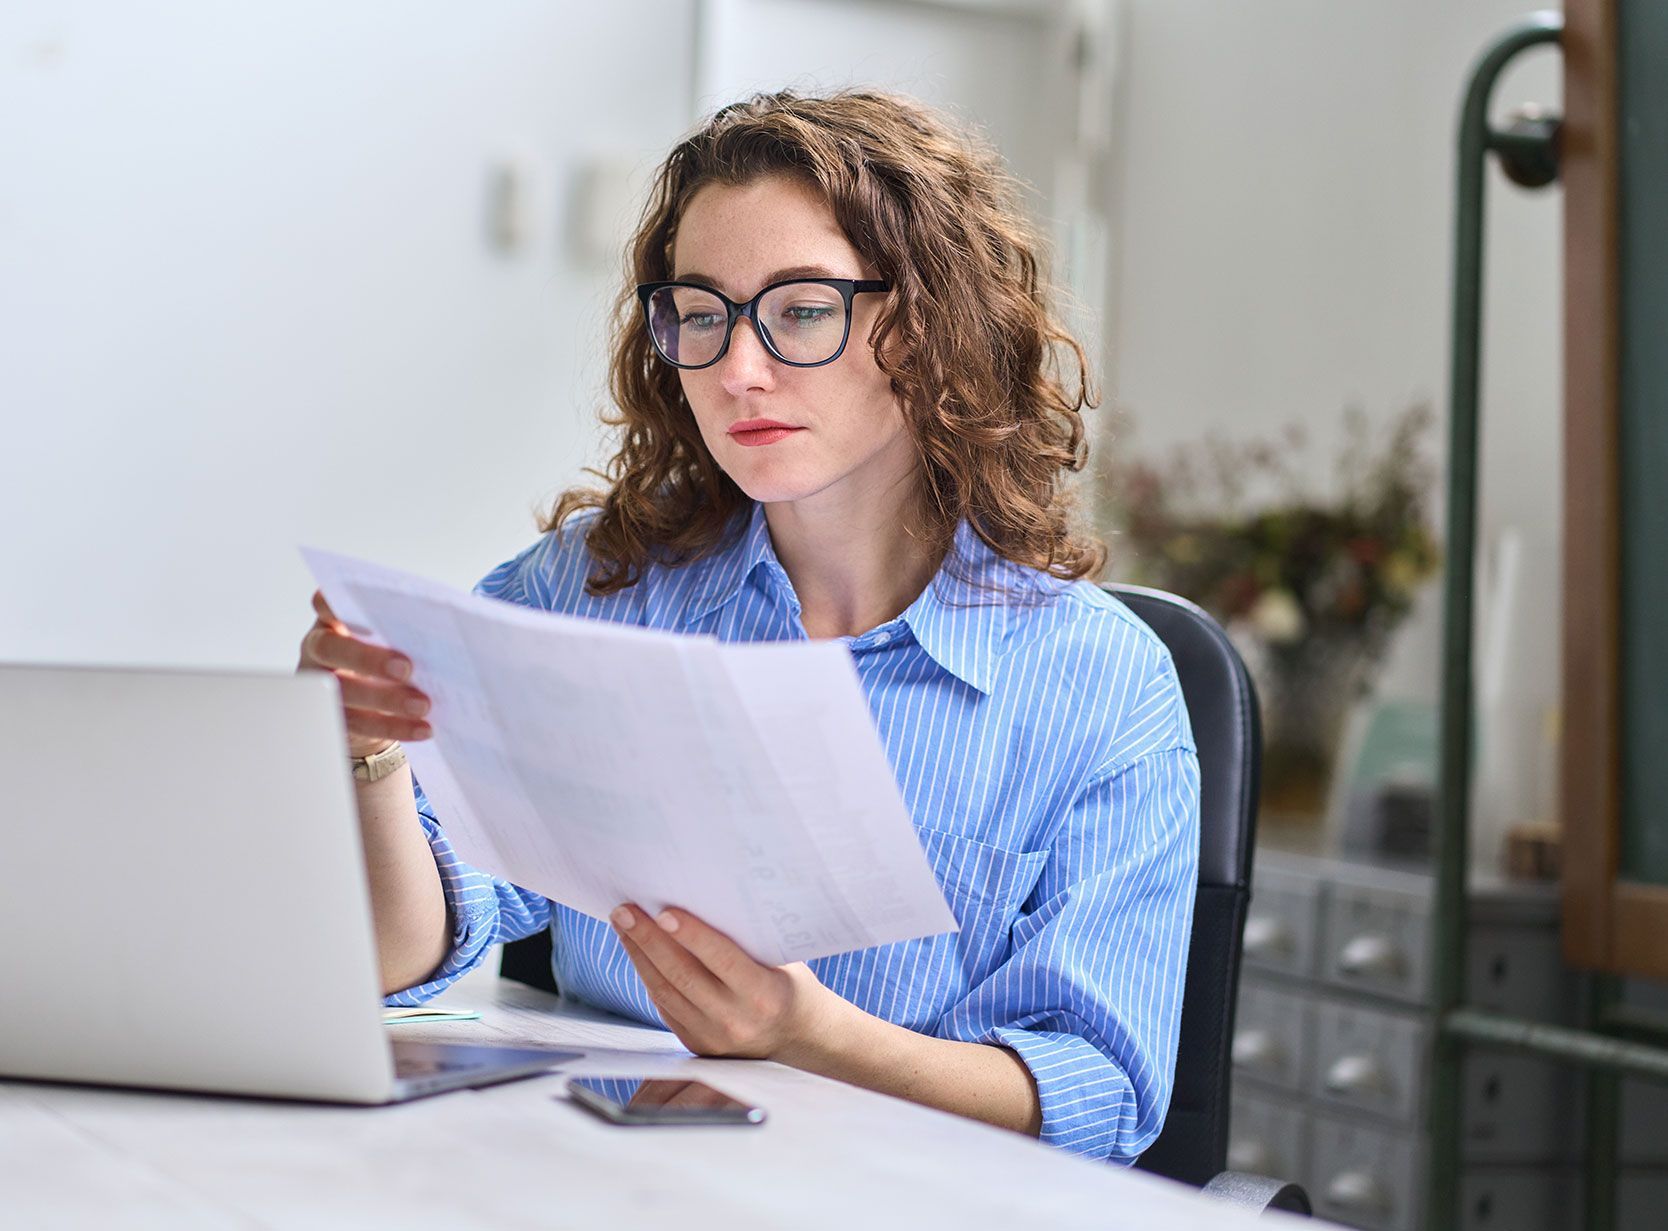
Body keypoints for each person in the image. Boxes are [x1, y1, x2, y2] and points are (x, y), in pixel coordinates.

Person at [297, 89, 1199, 1164]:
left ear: (923, 326)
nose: (738, 369)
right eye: (703, 312)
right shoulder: (590, 589)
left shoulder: (1102, 681)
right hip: (594, 1181)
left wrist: (812, 1038)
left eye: (802, 309)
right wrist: (369, 753)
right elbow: (409, 954)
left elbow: (1101, 1091)